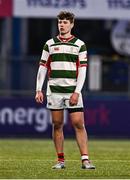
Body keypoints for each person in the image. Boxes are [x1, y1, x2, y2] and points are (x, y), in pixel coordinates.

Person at [35, 11, 95, 170]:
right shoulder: (50, 44)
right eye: (60, 22)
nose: (62, 25)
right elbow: (42, 67)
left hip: (72, 90)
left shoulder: (79, 45)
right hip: (54, 90)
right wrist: (38, 89)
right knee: (57, 124)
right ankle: (60, 160)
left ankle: (85, 160)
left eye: (65, 22)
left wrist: (76, 92)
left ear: (72, 24)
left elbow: (83, 70)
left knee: (78, 123)